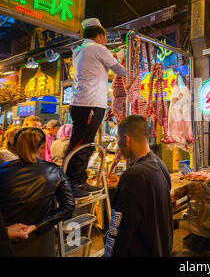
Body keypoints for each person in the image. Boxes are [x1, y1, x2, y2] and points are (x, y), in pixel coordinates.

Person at [66, 18, 127, 198]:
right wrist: (123, 59)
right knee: (81, 144)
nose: (105, 42)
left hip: (84, 103)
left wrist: (115, 57)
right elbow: (121, 71)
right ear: (100, 35)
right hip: (89, 104)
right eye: (105, 38)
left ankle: (78, 181)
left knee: (83, 143)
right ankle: (73, 184)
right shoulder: (97, 48)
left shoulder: (80, 50)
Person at [103, 115, 173, 257]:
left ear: (126, 139)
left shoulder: (132, 177)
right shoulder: (160, 165)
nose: (118, 144)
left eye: (117, 139)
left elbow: (118, 233)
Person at [0, 127, 74, 256]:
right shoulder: (54, 171)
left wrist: (5, 231)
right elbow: (68, 207)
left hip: (8, 240)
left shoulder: (2, 170)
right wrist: (35, 226)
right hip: (41, 240)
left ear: (16, 146)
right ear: (44, 146)